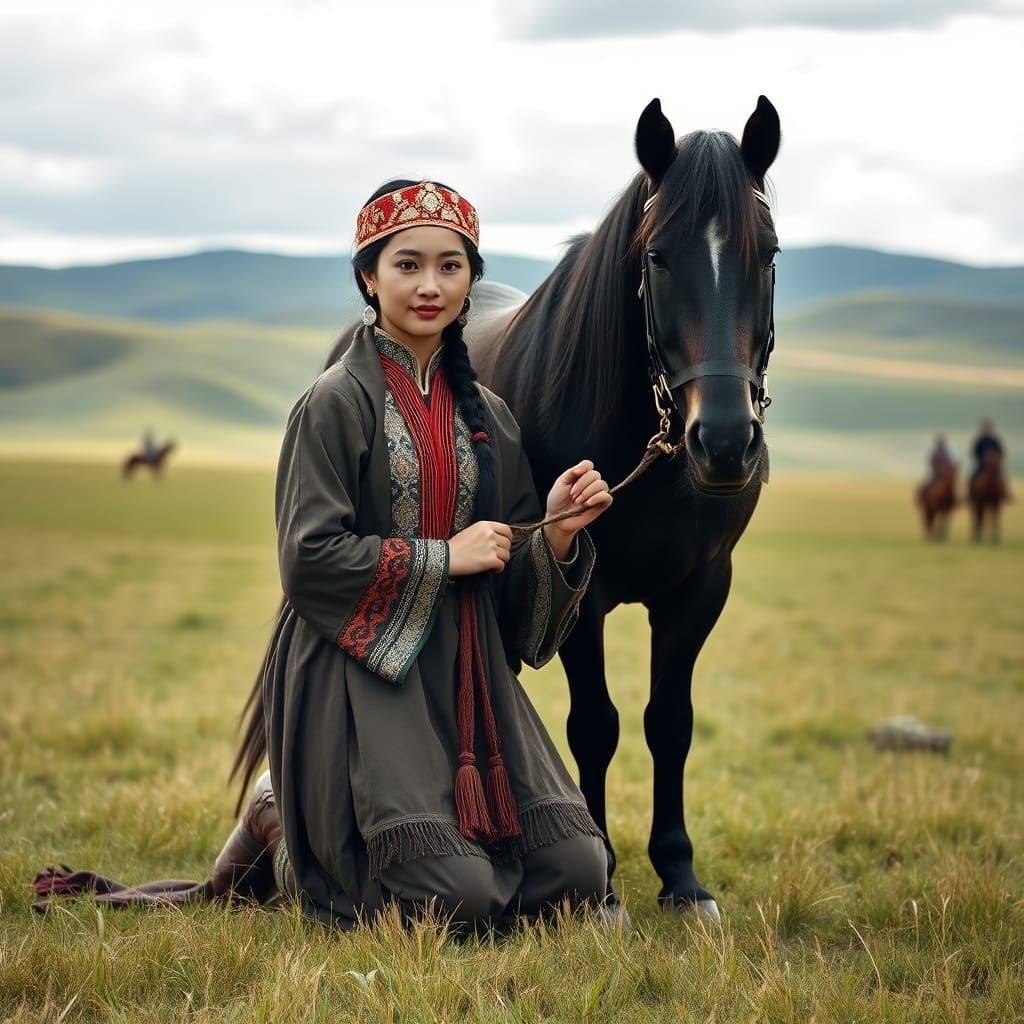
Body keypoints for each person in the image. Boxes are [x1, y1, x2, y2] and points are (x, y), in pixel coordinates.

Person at [35, 180, 614, 934]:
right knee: (456, 901)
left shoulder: (491, 420)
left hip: (471, 678)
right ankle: (287, 824)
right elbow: (308, 559)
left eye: (450, 266)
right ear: (368, 278)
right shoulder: (333, 403)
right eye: (406, 266)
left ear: (473, 278)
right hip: (359, 673)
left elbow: (512, 589)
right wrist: (445, 557)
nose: (429, 286)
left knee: (578, 873)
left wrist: (560, 533)